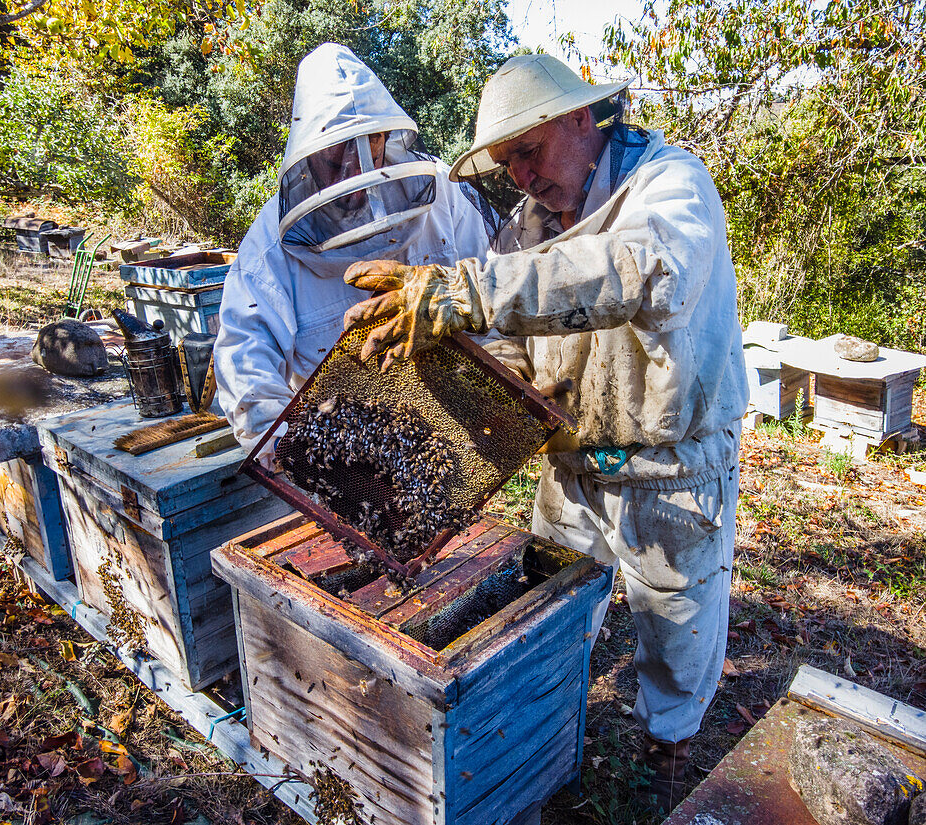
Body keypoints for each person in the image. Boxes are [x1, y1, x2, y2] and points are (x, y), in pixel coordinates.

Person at [342, 53, 748, 813]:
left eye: (529, 151)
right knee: (547, 615)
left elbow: (645, 270)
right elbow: (509, 346)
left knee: (679, 628)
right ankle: (543, 742)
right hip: (572, 467)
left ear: (580, 117)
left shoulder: (671, 185)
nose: (521, 177)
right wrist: (469, 377)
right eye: (507, 164)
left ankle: (667, 752)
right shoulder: (520, 229)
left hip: (673, 466)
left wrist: (471, 291)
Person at [213, 42, 493, 462]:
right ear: (308, 152)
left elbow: (487, 288)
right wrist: (294, 455)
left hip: (452, 432)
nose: (357, 169)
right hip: (348, 453)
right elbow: (245, 363)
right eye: (339, 149)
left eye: (371, 142)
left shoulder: (440, 194)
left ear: (388, 134)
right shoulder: (269, 246)